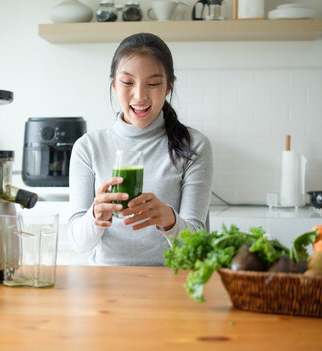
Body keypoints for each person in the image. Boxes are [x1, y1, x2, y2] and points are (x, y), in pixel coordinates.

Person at [68, 32, 213, 266]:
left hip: (171, 284)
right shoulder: (88, 147)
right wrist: (95, 215)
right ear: (114, 84)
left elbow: (199, 245)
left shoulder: (194, 146)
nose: (139, 95)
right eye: (127, 83)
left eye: (153, 84)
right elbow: (78, 243)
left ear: (168, 87)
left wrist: (169, 220)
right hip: (106, 286)